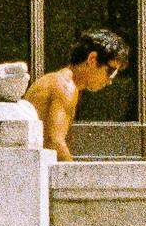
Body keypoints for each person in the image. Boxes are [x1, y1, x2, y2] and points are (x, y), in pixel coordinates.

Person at [25, 28, 130, 160]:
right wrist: (80, 179)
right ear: (92, 59)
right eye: (111, 72)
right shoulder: (65, 87)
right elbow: (54, 143)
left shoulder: (62, 83)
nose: (110, 81)